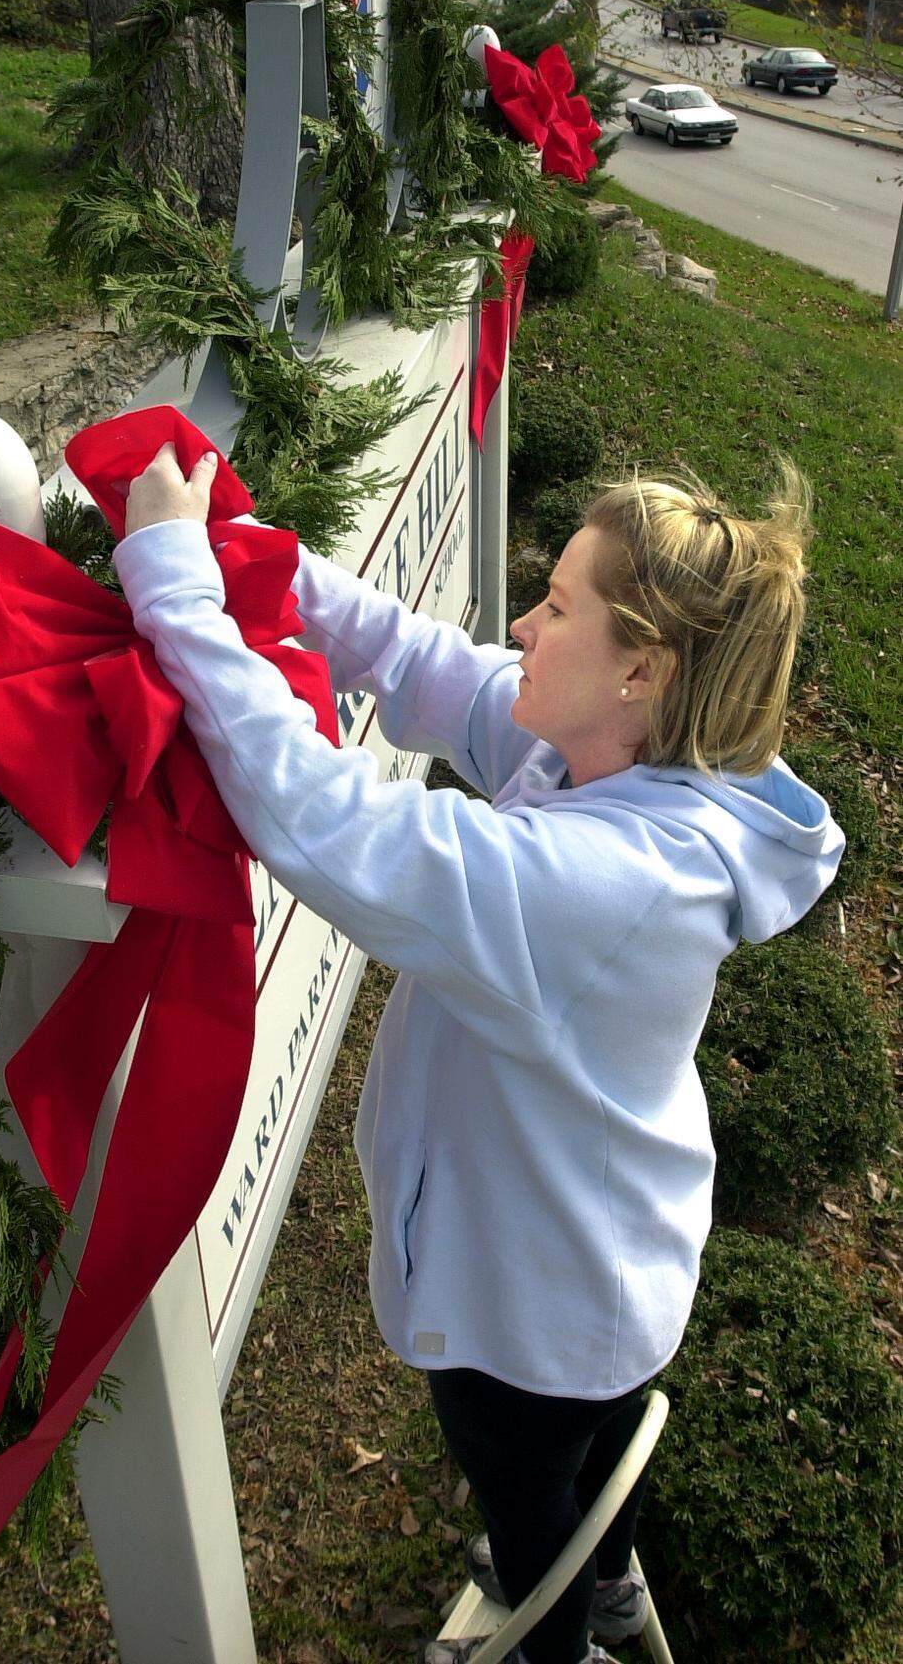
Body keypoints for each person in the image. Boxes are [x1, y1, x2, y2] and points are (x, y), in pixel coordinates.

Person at [113, 445, 843, 1664]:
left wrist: (175, 588)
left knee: (529, 1514)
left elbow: (323, 818)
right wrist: (265, 562)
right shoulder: (621, 760)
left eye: (558, 607)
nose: (522, 621)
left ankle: (556, 1623)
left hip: (534, 1320)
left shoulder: (606, 885)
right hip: (606, 1265)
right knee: (592, 1468)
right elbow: (415, 662)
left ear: (640, 670)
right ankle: (605, 1579)